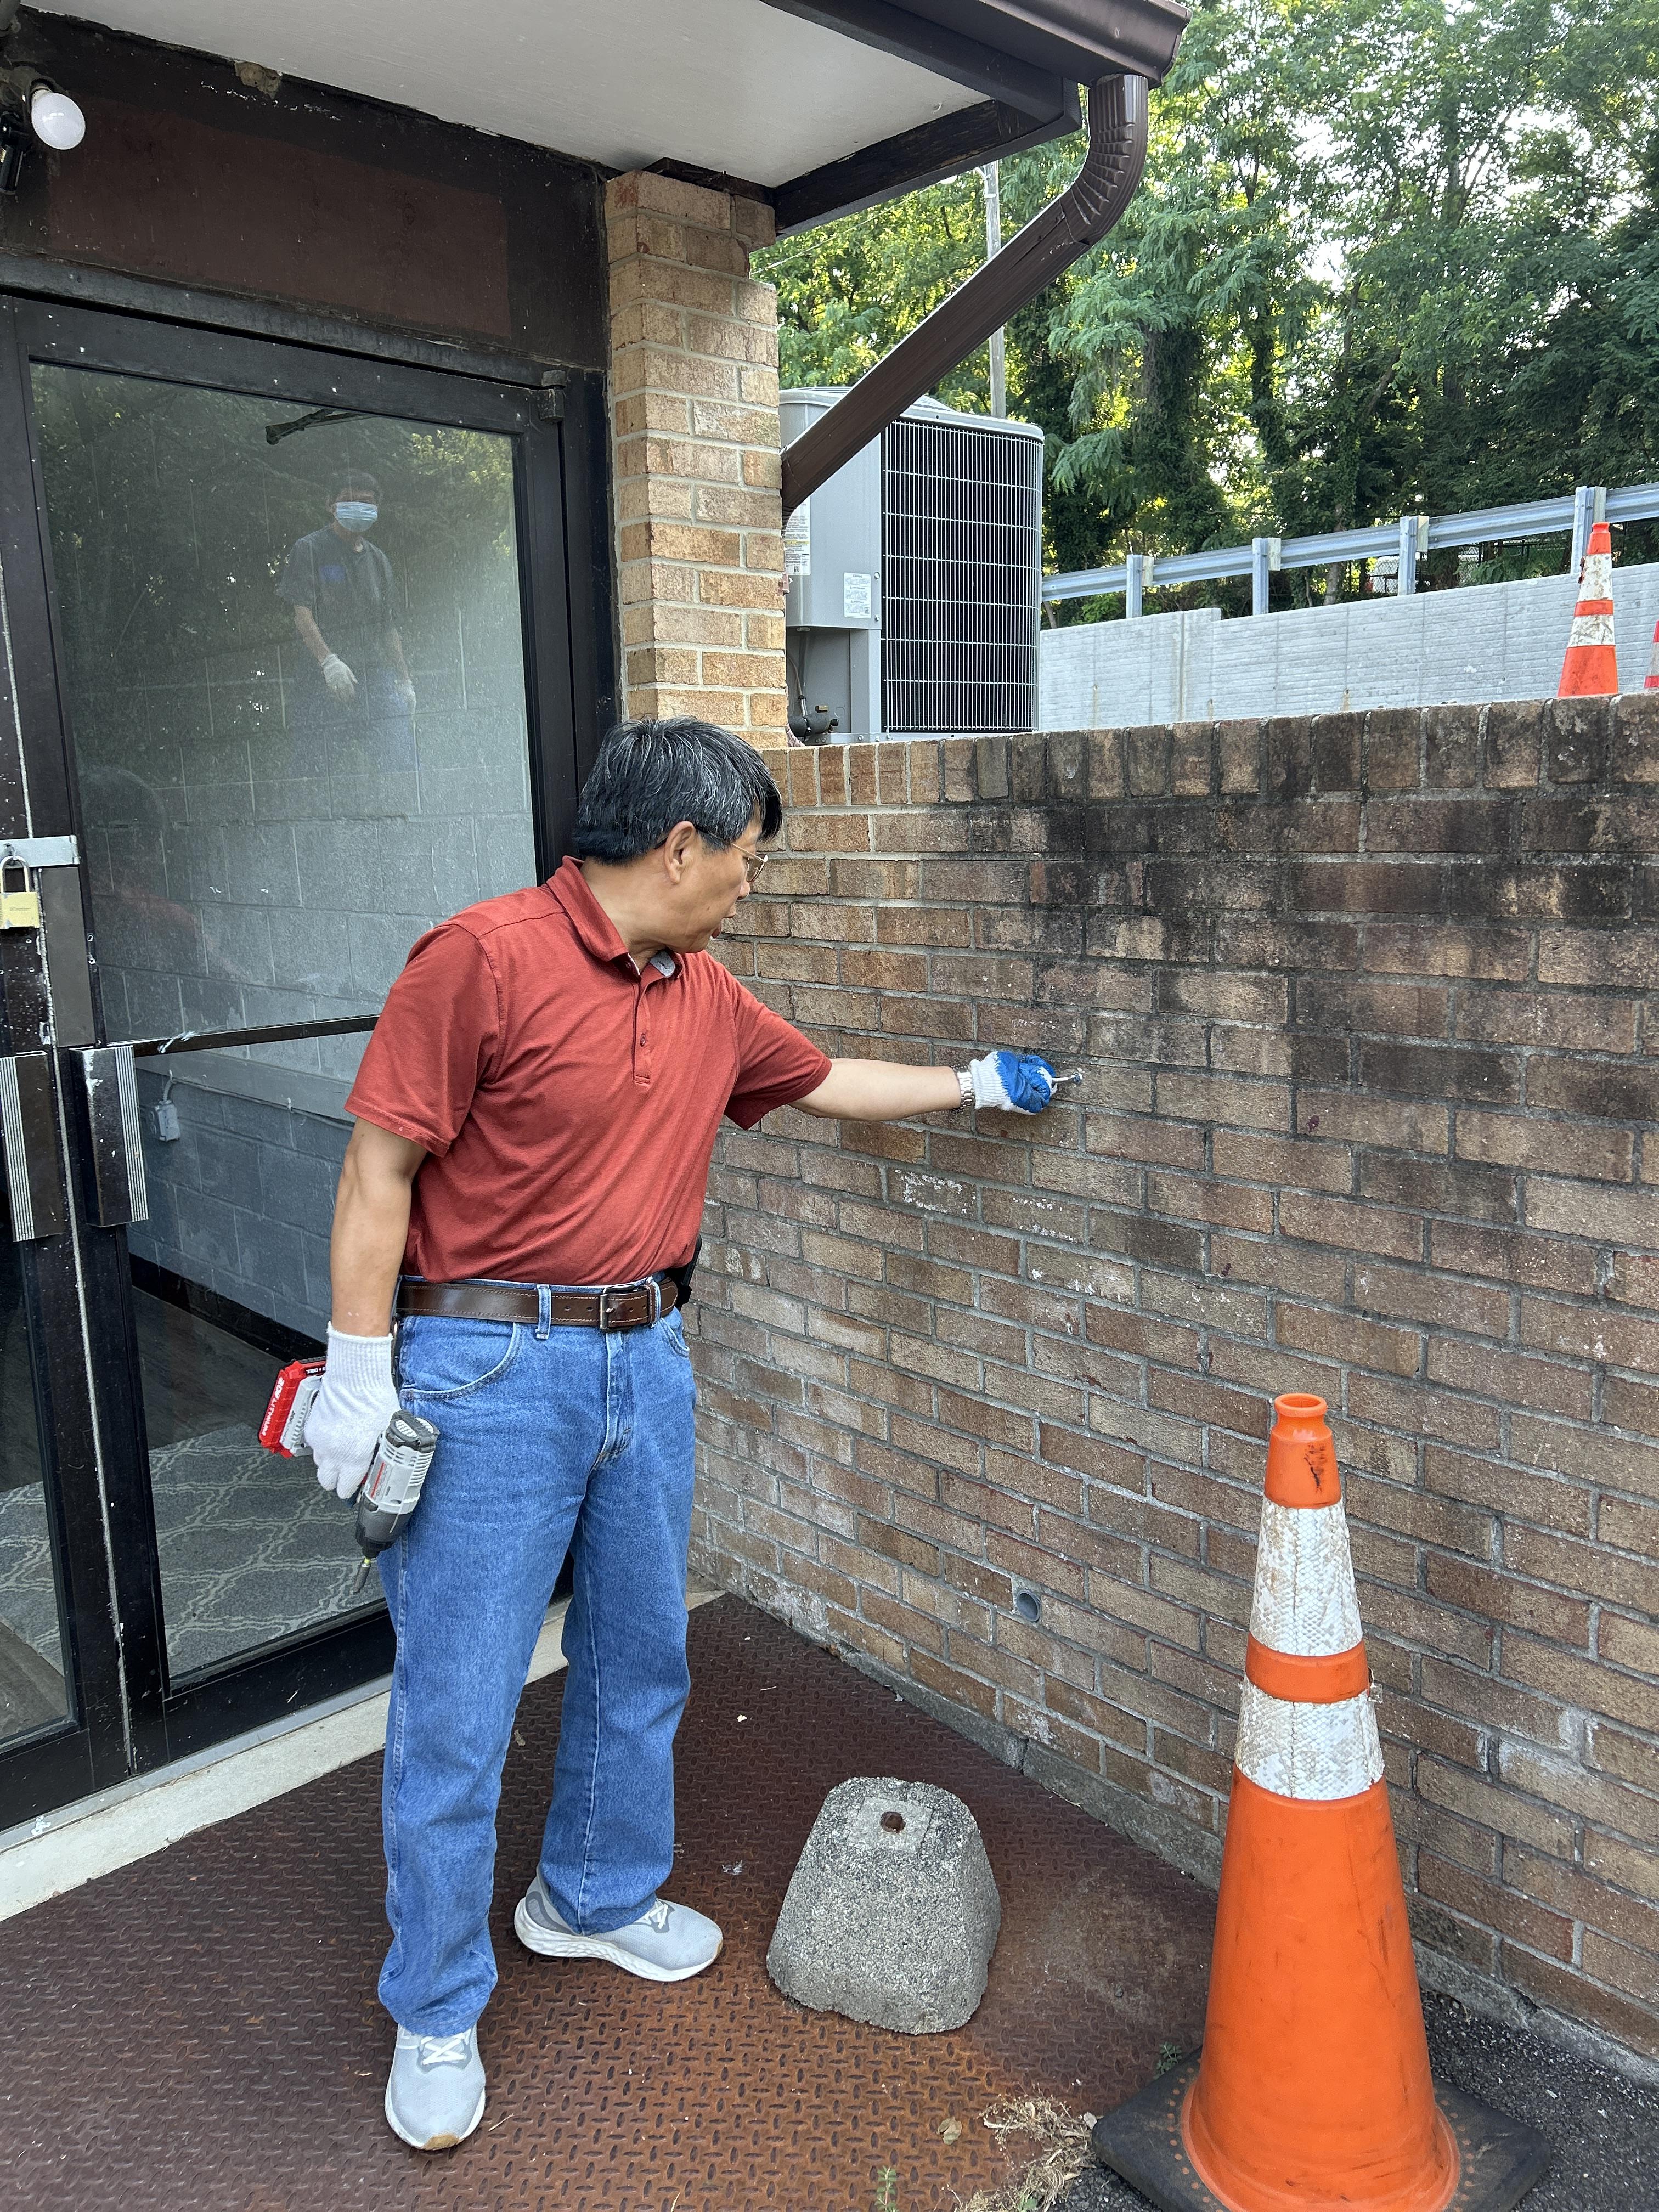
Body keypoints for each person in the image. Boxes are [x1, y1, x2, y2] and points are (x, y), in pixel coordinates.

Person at [303, 717, 1060, 2152]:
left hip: (646, 1357)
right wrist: (356, 1365)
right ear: (680, 846)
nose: (750, 889)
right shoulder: (480, 959)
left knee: (641, 1653)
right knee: (459, 1706)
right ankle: (438, 2004)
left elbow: (828, 1081)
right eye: (748, 862)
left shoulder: (703, 994)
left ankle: (588, 1897)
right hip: (488, 1364)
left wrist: (974, 1083)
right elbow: (379, 1166)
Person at [276, 471, 417, 746]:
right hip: (320, 677)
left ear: (376, 509)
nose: (358, 507)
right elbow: (301, 614)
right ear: (331, 505)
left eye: (366, 502)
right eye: (349, 500)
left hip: (374, 676)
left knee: (397, 754)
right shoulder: (310, 549)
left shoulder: (378, 560)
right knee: (319, 759)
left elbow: (388, 627)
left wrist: (404, 681)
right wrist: (328, 662)